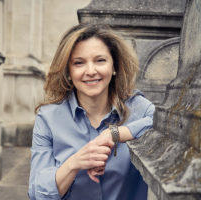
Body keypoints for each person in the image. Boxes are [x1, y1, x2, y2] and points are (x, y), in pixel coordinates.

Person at [28, 23, 155, 200]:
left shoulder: (137, 107)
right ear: (68, 72)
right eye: (79, 63)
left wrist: (115, 133)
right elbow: (37, 194)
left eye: (100, 60)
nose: (90, 71)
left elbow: (173, 125)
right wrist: (74, 163)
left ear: (114, 66)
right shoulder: (47, 118)